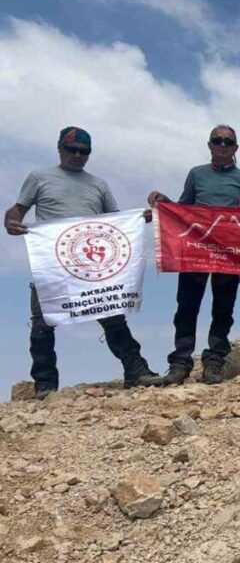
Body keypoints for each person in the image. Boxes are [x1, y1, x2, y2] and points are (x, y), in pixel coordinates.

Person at [5, 126, 161, 398]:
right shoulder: (39, 177)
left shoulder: (98, 184)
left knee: (113, 315)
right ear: (60, 148)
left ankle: (136, 371)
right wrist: (10, 221)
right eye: (72, 150)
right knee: (43, 323)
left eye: (84, 152)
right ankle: (44, 385)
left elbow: (116, 221)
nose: (77, 156)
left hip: (93, 267)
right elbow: (17, 210)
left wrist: (138, 219)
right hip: (54, 264)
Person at [147, 125, 240, 386]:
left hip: (228, 253)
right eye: (217, 141)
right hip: (196, 250)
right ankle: (180, 362)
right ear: (209, 145)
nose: (222, 145)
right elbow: (183, 211)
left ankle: (215, 360)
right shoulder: (196, 175)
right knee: (187, 306)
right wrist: (165, 203)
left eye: (228, 142)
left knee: (223, 309)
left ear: (235, 148)